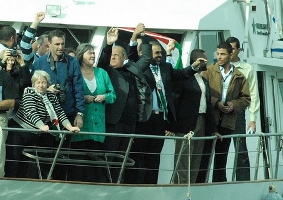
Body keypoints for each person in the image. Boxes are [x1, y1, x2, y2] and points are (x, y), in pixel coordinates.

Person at [129, 30, 203, 184]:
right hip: (144, 118)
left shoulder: (165, 68)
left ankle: (151, 186)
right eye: (156, 53)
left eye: (160, 53)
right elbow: (131, 58)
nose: (159, 56)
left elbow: (181, 74)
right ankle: (135, 185)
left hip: (160, 119)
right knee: (139, 155)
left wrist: (194, 67)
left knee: (155, 156)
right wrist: (135, 40)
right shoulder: (139, 68)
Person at [97, 27, 152, 179]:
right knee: (109, 158)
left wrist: (143, 36)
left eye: (116, 55)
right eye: (112, 55)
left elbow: (147, 57)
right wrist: (109, 45)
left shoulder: (132, 70)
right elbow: (102, 62)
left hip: (131, 123)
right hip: (114, 122)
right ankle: (105, 185)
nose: (113, 58)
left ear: (124, 58)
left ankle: (118, 185)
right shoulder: (107, 71)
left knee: (123, 159)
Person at [10, 70, 81, 178]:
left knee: (28, 163)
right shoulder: (29, 93)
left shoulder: (51, 96)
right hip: (20, 131)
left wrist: (69, 127)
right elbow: (31, 112)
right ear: (33, 84)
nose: (41, 85)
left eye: (43, 82)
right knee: (14, 160)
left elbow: (59, 112)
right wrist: (41, 125)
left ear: (48, 84)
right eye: (38, 83)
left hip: (36, 133)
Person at [199, 42, 251, 182]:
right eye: (218, 54)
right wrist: (217, 102)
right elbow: (202, 93)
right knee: (205, 155)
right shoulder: (209, 71)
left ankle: (219, 185)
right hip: (211, 119)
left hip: (228, 121)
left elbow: (246, 99)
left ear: (230, 55)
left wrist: (233, 105)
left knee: (222, 157)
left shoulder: (239, 76)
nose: (219, 57)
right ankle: (200, 185)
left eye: (222, 54)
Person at [172, 49, 216, 184]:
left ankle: (193, 187)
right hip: (187, 123)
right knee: (184, 159)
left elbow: (207, 104)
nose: (207, 62)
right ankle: (180, 187)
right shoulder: (184, 79)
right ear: (197, 60)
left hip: (202, 120)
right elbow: (175, 101)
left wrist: (212, 128)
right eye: (204, 60)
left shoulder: (204, 80)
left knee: (197, 157)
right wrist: (172, 125)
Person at [74, 42, 116, 182]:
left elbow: (113, 95)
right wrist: (82, 98)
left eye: (93, 53)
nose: (92, 55)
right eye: (89, 53)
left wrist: (104, 97)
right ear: (81, 55)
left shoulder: (102, 73)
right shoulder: (75, 72)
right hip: (81, 125)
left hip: (98, 127)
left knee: (96, 163)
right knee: (79, 164)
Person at [32, 29, 85, 128]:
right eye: (57, 44)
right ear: (49, 44)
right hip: (44, 114)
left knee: (64, 144)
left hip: (67, 112)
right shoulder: (39, 62)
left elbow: (79, 89)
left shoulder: (73, 62)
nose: (60, 47)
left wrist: (79, 114)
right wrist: (47, 90)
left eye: (62, 44)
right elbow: (32, 88)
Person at [226, 36, 260, 181]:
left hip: (238, 113)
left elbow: (253, 94)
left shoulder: (247, 69)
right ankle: (219, 181)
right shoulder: (217, 68)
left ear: (238, 50)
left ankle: (243, 181)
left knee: (241, 150)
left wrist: (252, 119)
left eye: (232, 48)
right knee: (220, 149)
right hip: (220, 113)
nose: (230, 52)